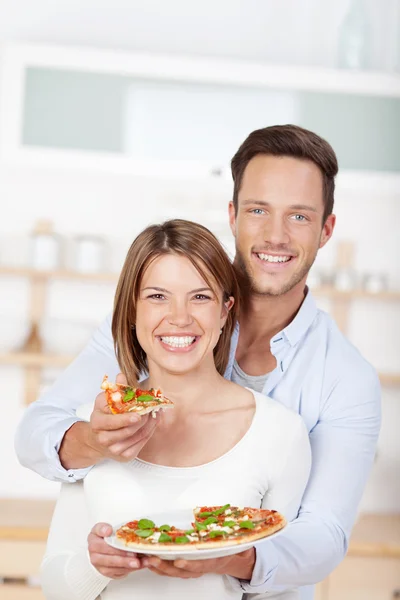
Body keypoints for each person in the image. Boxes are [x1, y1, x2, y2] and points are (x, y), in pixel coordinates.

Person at [15, 125, 381, 600]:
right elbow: (37, 433)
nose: (275, 234)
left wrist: (227, 554)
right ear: (232, 215)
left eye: (299, 216)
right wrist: (95, 439)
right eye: (257, 210)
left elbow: (324, 536)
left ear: (326, 229)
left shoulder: (343, 381)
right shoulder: (149, 330)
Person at [39, 219, 311, 600]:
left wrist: (227, 560)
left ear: (224, 311)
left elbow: (284, 590)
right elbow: (54, 583)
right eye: (157, 296)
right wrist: (95, 565)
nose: (179, 317)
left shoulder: (280, 432)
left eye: (200, 297)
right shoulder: (96, 427)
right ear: (132, 311)